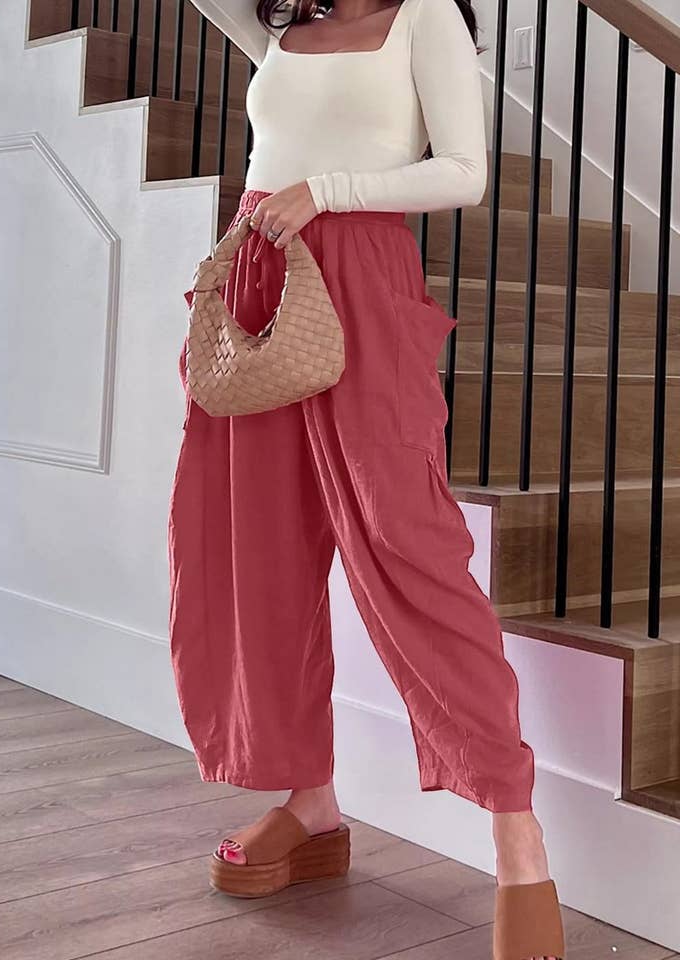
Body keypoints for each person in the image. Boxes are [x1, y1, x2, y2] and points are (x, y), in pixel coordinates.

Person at [167, 2, 565, 957]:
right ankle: (310, 801)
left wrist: (326, 191)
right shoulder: (282, 23)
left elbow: (464, 172)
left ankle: (517, 838)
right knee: (255, 550)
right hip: (256, 274)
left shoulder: (423, 16)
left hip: (360, 274)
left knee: (409, 547)